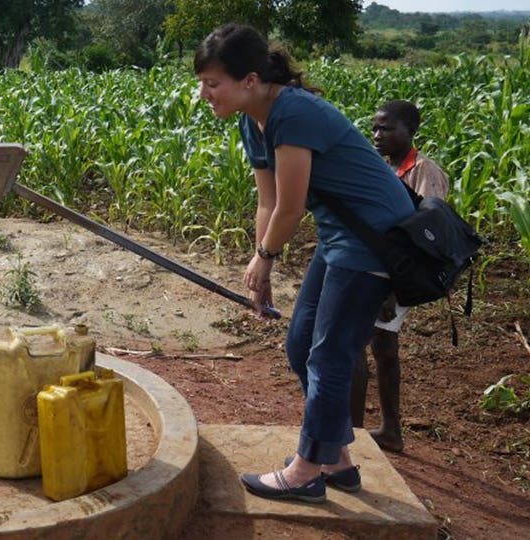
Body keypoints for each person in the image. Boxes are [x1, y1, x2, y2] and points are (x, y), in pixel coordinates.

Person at [193, 24, 415, 503]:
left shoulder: (291, 111)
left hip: (375, 238)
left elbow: (292, 208)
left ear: (250, 79)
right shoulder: (250, 119)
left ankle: (307, 473)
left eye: (212, 83)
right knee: (301, 345)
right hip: (343, 236)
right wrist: (260, 266)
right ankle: (336, 458)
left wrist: (266, 257)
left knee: (330, 355)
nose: (203, 93)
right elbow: (268, 202)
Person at [350, 100, 450, 453]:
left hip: (401, 276)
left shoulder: (425, 172)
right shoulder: (382, 168)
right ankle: (390, 430)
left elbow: (427, 237)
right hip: (379, 268)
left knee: (355, 345)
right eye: (374, 128)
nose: (377, 135)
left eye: (387, 129)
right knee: (382, 345)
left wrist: (394, 292)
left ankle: (353, 437)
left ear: (411, 132)